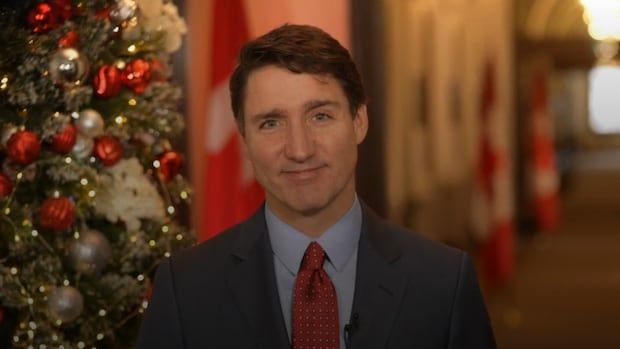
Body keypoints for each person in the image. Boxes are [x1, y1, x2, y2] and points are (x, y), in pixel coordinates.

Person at [137, 24, 497, 349]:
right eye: (271, 123)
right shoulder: (186, 289)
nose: (299, 149)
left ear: (358, 122)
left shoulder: (443, 283)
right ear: (244, 140)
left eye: (320, 116)